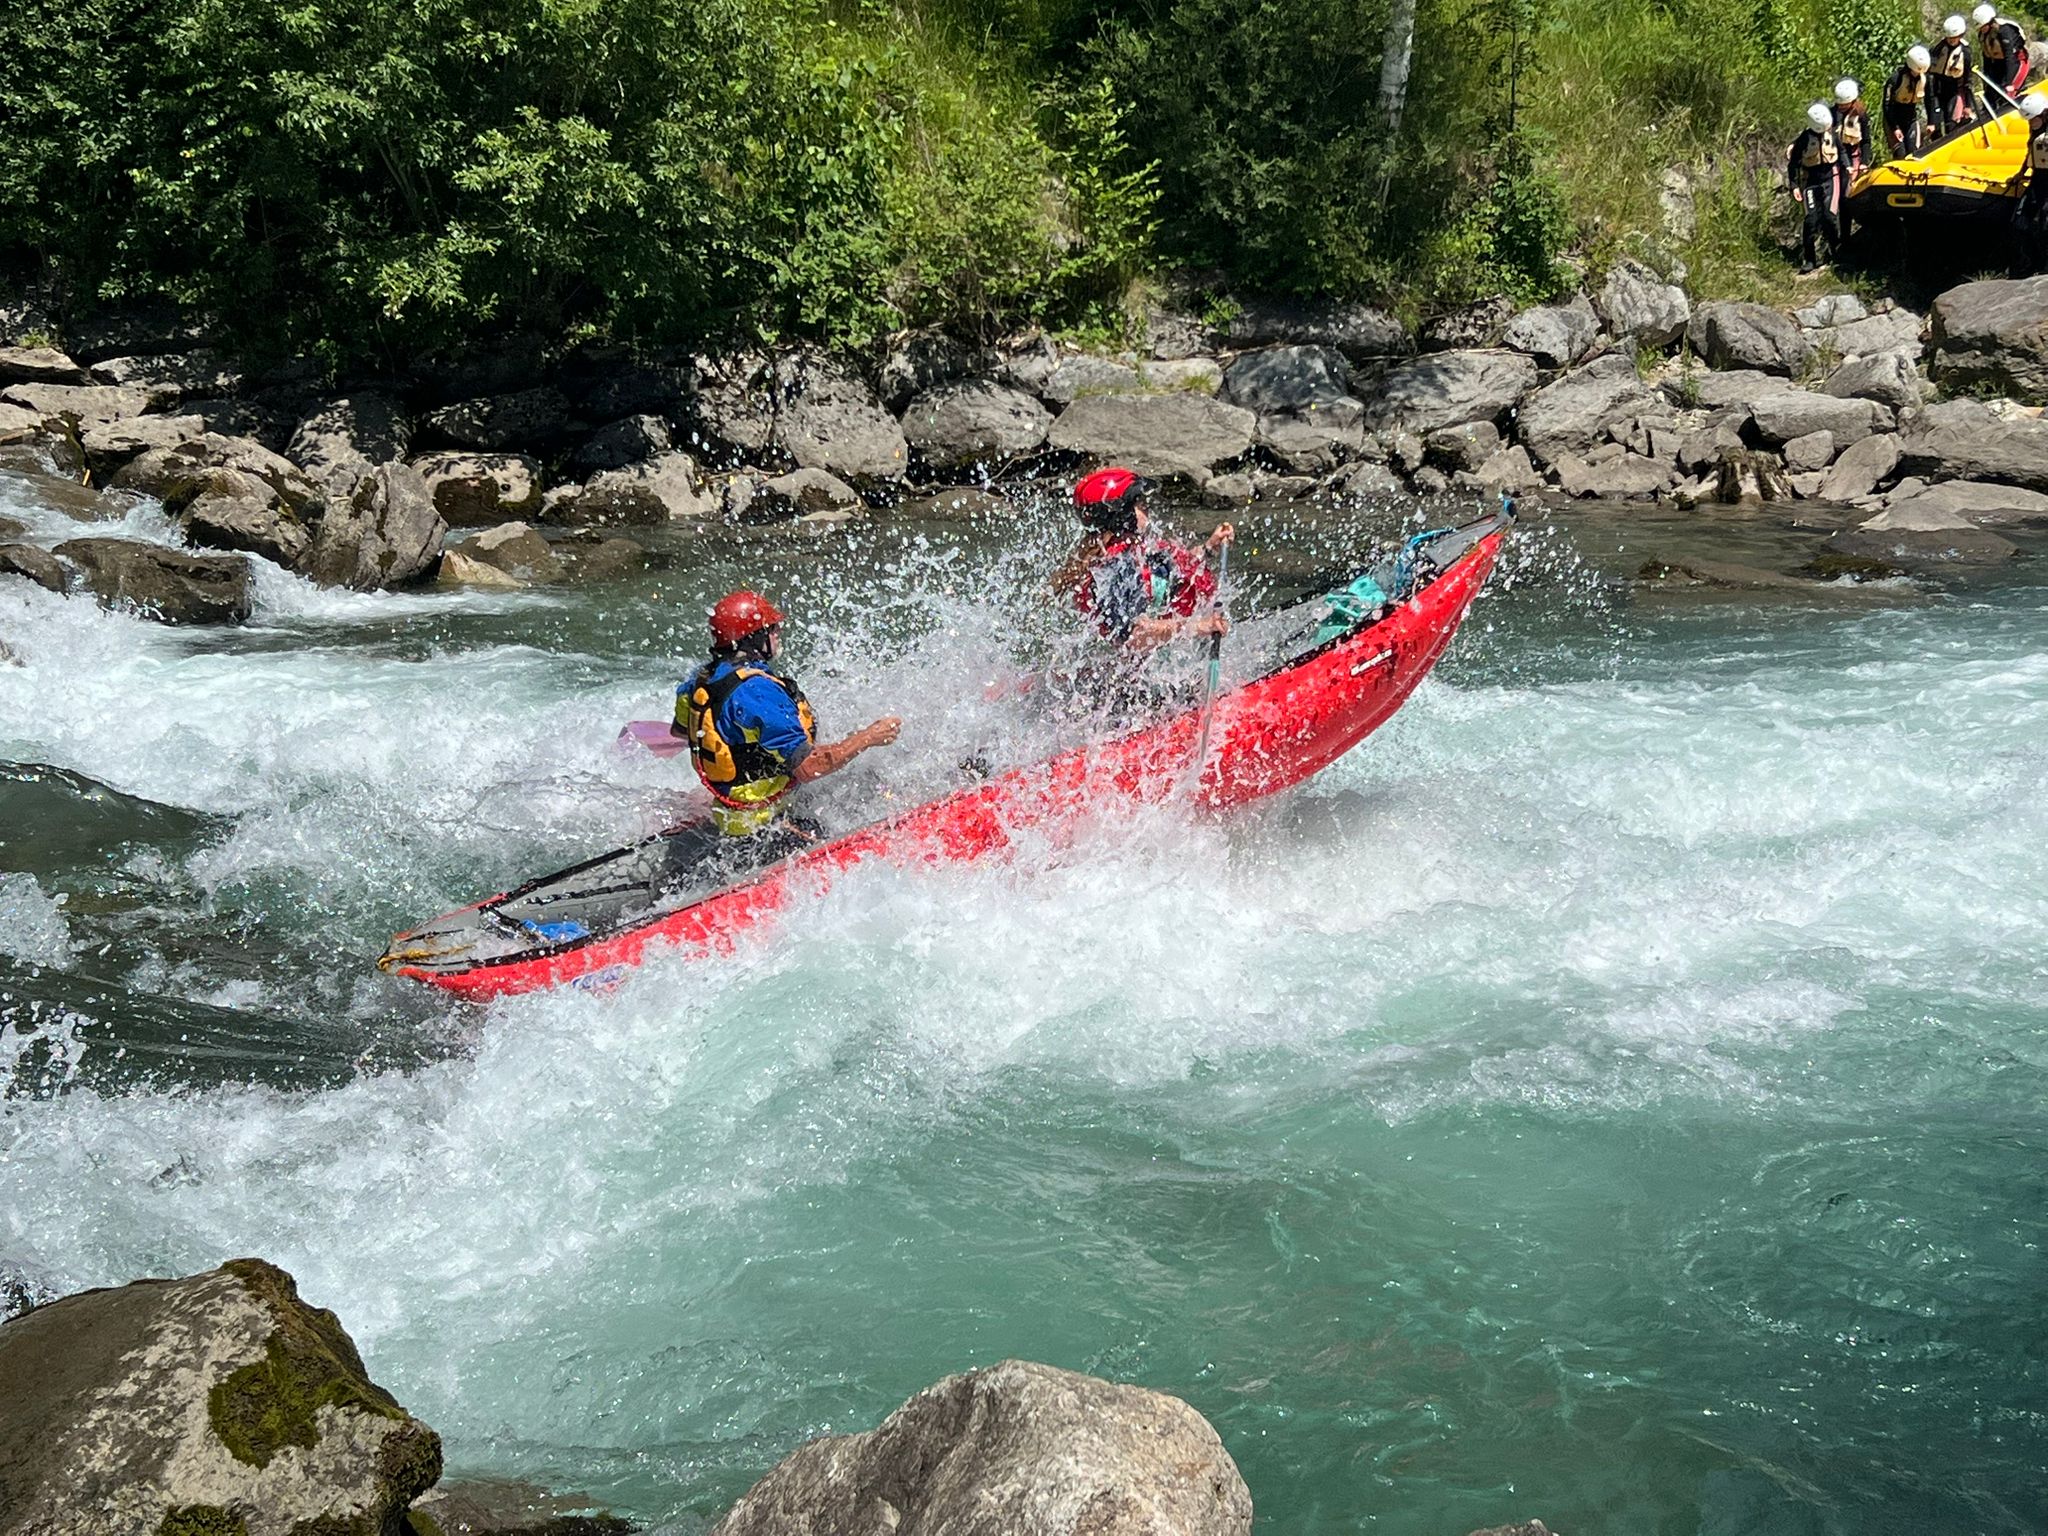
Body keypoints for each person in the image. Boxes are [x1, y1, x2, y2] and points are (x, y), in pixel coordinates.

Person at [675, 590, 900, 840]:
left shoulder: (699, 680)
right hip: (765, 826)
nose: (777, 633)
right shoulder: (758, 692)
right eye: (772, 629)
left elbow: (682, 731)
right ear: (753, 638)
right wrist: (870, 736)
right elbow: (809, 768)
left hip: (730, 815)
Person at [1054, 467, 1233, 651]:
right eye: (1138, 503)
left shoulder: (1133, 551)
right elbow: (1134, 636)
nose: (1146, 507)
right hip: (1146, 673)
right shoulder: (1115, 569)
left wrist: (1209, 548)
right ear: (1121, 514)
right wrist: (1198, 626)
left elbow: (1171, 571)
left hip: (1167, 658)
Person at [1788, 102, 1842, 272]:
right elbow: (1793, 164)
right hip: (1810, 182)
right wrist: (1794, 186)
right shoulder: (1804, 139)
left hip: (1830, 179)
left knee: (1830, 217)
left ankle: (1836, 253)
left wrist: (1849, 169)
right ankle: (1809, 259)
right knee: (1811, 220)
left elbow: (1842, 154)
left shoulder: (1832, 135)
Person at [2012, 94, 2048, 271]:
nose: (2030, 123)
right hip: (2038, 179)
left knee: (2044, 224)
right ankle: (2033, 262)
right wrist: (2021, 173)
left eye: (2033, 120)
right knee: (2020, 223)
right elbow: (2032, 153)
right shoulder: (2036, 132)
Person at [1833, 79, 1871, 243]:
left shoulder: (1860, 115)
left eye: (1845, 105)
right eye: (1840, 105)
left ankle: (1848, 237)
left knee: (1848, 197)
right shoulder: (1831, 113)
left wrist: (1863, 161)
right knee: (1838, 198)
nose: (1841, 108)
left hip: (1854, 157)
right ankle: (1840, 236)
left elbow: (1866, 141)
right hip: (1836, 159)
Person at [1974, 5, 2031, 104]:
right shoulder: (1982, 35)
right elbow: (1987, 58)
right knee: (1991, 96)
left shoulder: (2005, 30)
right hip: (1998, 65)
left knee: (2007, 94)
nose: (1981, 29)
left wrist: (2009, 83)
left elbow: (2010, 57)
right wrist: (1987, 82)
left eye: (1983, 26)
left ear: (1990, 22)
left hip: (2016, 63)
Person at [1930, 16, 1976, 137]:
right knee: (1936, 128)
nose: (1951, 41)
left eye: (1954, 38)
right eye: (1949, 38)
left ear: (1960, 36)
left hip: (1954, 92)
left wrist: (1968, 105)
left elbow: (1968, 80)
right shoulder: (1939, 48)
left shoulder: (1965, 53)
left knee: (1951, 125)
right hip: (1938, 90)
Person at [1885, 46, 1933, 156]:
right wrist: (1895, 128)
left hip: (1911, 118)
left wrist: (1931, 121)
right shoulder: (1895, 79)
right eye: (1915, 71)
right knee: (1900, 154)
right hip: (1894, 119)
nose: (1917, 74)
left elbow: (1929, 99)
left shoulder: (1924, 79)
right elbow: (1887, 106)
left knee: (1913, 152)